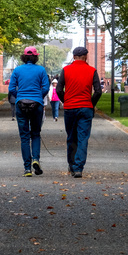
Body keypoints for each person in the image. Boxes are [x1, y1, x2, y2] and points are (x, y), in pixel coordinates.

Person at [56, 46, 102, 178]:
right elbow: (98, 91)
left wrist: (66, 101)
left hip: (70, 107)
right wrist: (91, 104)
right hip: (85, 107)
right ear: (86, 57)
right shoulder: (92, 71)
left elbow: (59, 89)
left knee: (71, 136)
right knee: (83, 138)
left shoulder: (66, 70)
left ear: (74, 56)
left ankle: (71, 165)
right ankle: (78, 168)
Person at [8, 46, 50, 177]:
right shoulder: (41, 70)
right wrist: (38, 96)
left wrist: (20, 95)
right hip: (36, 104)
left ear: (24, 57)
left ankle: (27, 168)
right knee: (36, 134)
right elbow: (46, 87)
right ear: (36, 57)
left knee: (24, 136)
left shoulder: (18, 70)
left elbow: (11, 88)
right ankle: (36, 159)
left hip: (21, 104)